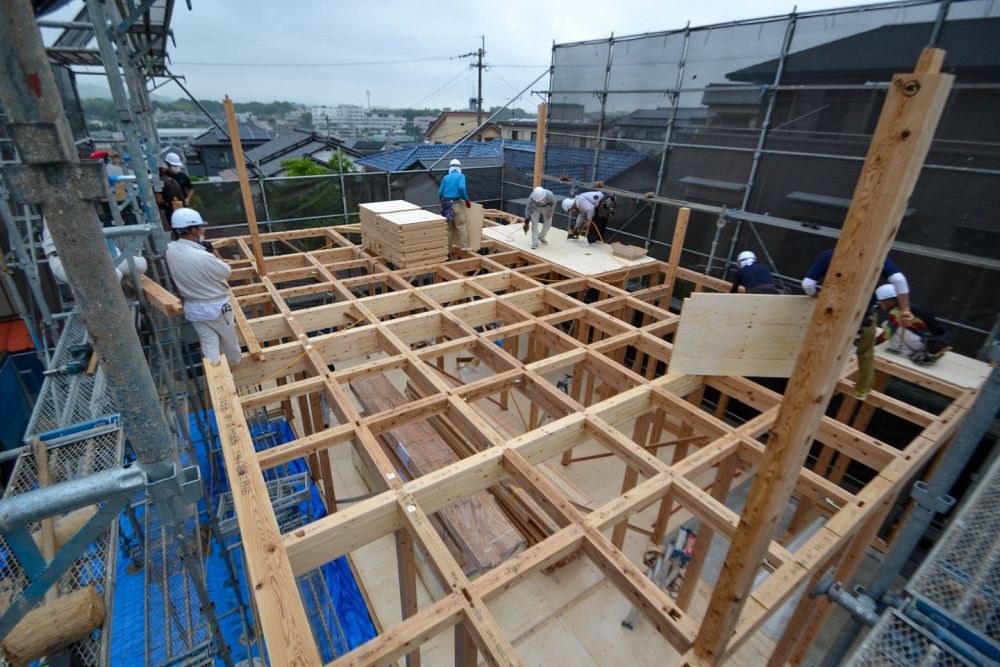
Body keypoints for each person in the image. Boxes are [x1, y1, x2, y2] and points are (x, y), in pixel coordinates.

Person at [802, 249, 912, 399]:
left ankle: (810, 382)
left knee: (823, 346)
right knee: (865, 352)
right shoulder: (877, 255)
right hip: (863, 314)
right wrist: (905, 309)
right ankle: (863, 390)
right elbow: (899, 280)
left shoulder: (829, 255)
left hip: (833, 312)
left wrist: (815, 296)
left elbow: (808, 284)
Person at [165, 208, 242, 366]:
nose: (203, 230)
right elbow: (226, 271)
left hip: (194, 308)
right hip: (216, 308)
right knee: (231, 347)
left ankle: (215, 375)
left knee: (209, 346)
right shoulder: (202, 256)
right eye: (201, 227)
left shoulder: (169, 249)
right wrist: (213, 252)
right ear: (193, 230)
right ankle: (235, 370)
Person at [42, 217, 148, 286]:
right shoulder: (54, 204)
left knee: (140, 265)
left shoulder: (86, 201)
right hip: (64, 257)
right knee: (113, 276)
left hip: (99, 249)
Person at [875, 284, 950, 365]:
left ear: (892, 301)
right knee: (896, 325)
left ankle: (904, 352)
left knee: (887, 325)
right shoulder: (907, 306)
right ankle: (923, 351)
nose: (881, 304)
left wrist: (867, 345)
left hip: (924, 343)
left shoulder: (898, 311)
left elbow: (887, 334)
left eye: (882, 301)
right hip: (932, 342)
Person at [438, 158, 471, 249]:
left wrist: (441, 201)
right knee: (461, 226)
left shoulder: (446, 177)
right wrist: (466, 199)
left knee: (448, 228)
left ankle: (447, 249)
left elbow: (440, 193)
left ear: (450, 168)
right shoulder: (461, 176)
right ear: (459, 167)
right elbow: (462, 188)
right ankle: (464, 246)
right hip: (456, 204)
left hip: (446, 204)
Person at [156, 159, 185, 230]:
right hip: (180, 207)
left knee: (175, 229)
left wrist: (165, 203)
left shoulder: (159, 182)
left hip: (169, 209)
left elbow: (159, 200)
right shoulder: (173, 180)